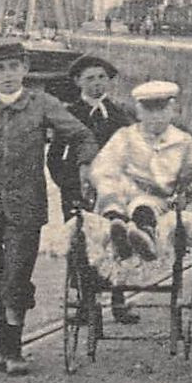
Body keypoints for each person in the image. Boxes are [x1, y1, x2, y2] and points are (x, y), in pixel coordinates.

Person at [0, 38, 99, 375]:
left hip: (25, 204)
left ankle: (13, 352)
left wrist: (83, 168)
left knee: (16, 276)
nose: (8, 75)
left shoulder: (43, 104)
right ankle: (4, 347)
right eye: (0, 68)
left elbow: (83, 136)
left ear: (25, 69)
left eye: (14, 67)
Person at [47, 53, 140, 322]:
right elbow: (54, 158)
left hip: (114, 192)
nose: (97, 84)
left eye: (102, 78)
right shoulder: (68, 116)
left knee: (118, 240)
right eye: (90, 79)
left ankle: (119, 301)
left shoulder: (120, 115)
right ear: (78, 82)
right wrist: (70, 186)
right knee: (82, 246)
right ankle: (88, 304)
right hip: (78, 192)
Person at [87, 80, 192, 259]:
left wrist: (185, 193)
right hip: (122, 190)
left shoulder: (183, 141)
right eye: (149, 111)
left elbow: (190, 178)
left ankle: (144, 235)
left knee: (144, 205)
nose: (156, 116)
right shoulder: (126, 136)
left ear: (172, 110)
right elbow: (104, 166)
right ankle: (117, 229)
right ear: (139, 112)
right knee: (110, 193)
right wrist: (109, 185)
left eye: (161, 110)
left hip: (156, 197)